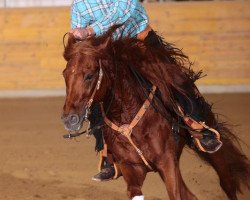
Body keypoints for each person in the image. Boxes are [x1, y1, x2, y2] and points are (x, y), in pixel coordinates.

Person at [70, 0, 222, 182]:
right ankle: (108, 156)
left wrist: (89, 31)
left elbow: (124, 11)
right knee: (95, 96)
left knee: (174, 77)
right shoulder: (79, 6)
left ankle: (200, 125)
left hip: (141, 41)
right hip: (110, 54)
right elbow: (81, 45)